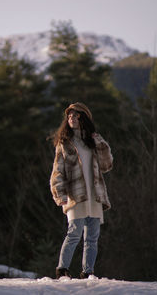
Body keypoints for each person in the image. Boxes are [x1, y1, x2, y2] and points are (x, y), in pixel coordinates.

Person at [50, 102, 113, 279]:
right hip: (75, 195)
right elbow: (57, 172)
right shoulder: (64, 143)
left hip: (95, 195)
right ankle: (62, 270)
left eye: (75, 116)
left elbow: (107, 165)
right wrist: (59, 194)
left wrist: (101, 143)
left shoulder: (93, 141)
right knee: (74, 233)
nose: (71, 119)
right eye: (69, 116)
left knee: (92, 238)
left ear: (83, 118)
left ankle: (88, 272)